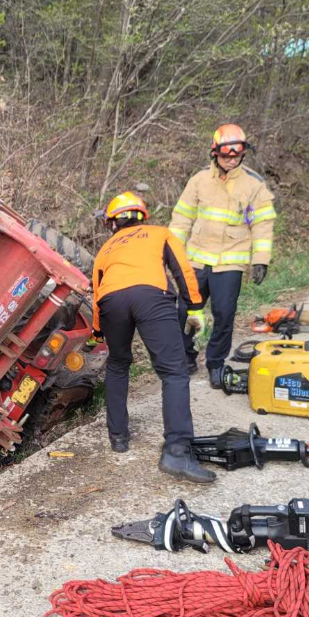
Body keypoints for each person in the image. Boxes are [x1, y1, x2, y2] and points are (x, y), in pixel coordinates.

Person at [90, 192, 215, 483]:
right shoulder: (160, 233)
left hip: (112, 302)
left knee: (118, 364)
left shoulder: (106, 249)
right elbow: (182, 269)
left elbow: (95, 292)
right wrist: (195, 306)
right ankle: (177, 451)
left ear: (113, 223)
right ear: (142, 216)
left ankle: (118, 437)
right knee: (173, 371)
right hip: (151, 296)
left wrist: (97, 331)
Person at [170, 124, 276, 388]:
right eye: (226, 154)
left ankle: (216, 364)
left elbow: (262, 224)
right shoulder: (198, 181)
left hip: (230, 262)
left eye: (236, 154)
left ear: (243, 153)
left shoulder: (254, 185)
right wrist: (171, 251)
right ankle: (186, 357)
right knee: (185, 312)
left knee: (224, 314)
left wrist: (260, 259)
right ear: (214, 153)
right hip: (196, 260)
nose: (231, 158)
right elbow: (182, 218)